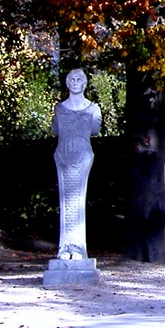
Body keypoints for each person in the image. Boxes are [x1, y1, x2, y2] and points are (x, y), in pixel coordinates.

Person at [51, 68, 102, 259]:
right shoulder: (60, 108)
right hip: (63, 155)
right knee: (66, 201)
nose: (74, 81)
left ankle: (78, 247)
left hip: (83, 156)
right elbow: (55, 130)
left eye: (79, 79)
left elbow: (95, 129)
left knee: (78, 199)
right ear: (67, 83)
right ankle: (64, 247)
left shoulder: (93, 109)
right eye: (71, 78)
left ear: (85, 83)